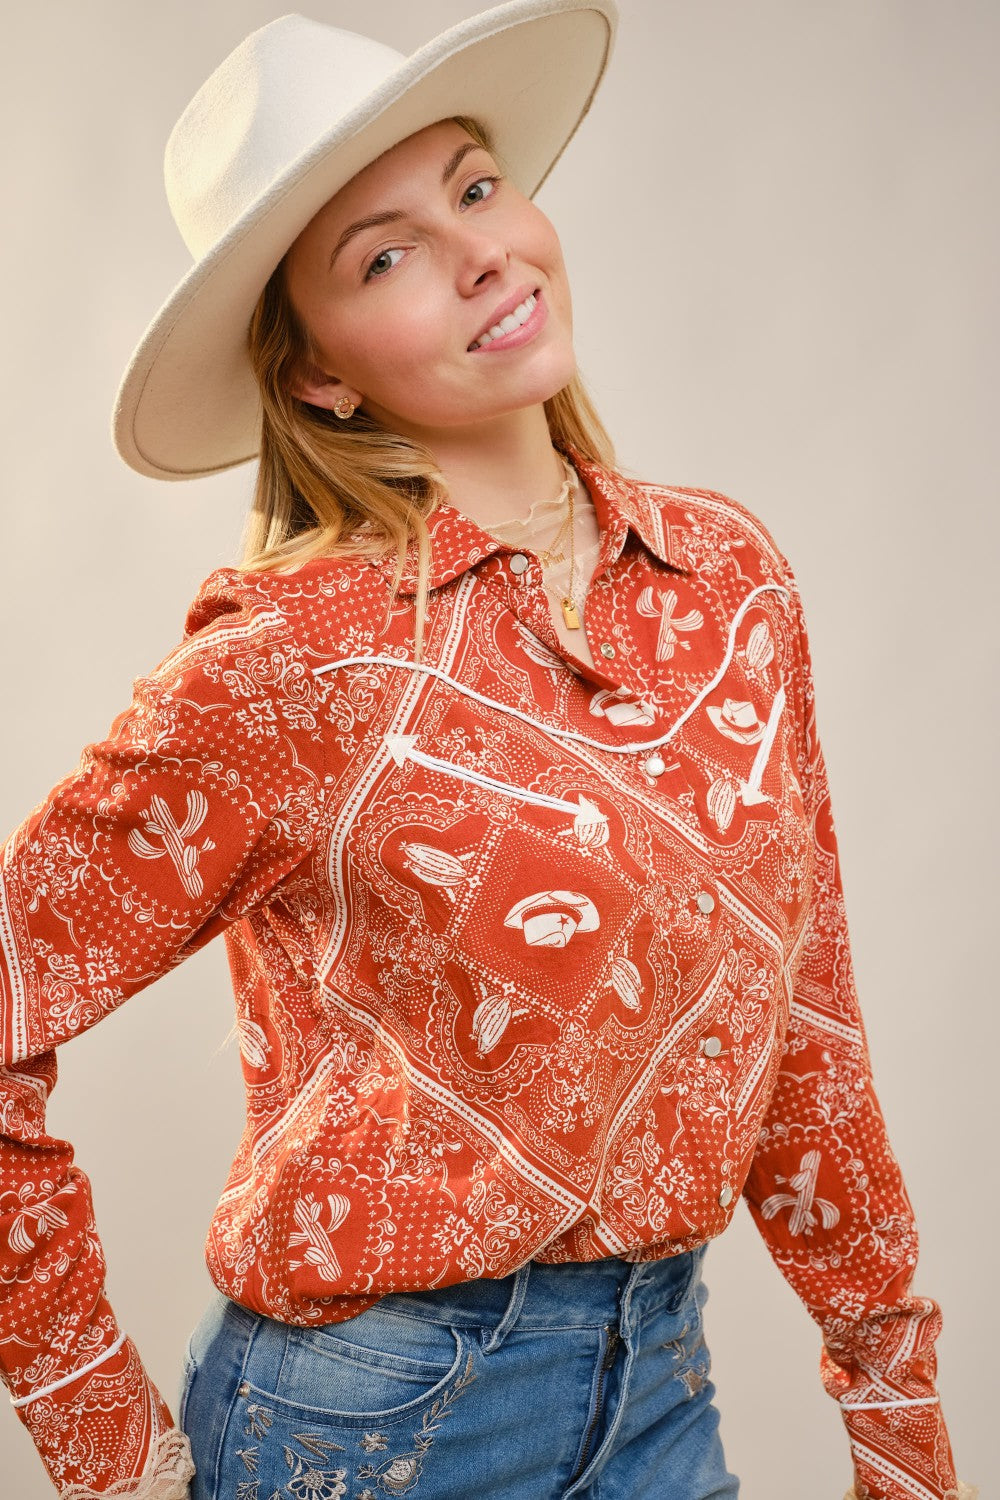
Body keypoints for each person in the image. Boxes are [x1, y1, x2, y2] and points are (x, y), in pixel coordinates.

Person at [0, 4, 978, 1498]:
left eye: (474, 187)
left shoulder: (730, 579)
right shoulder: (293, 663)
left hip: (662, 1389)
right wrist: (103, 1445)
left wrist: (891, 1391)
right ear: (318, 375)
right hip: (371, 1427)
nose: (480, 256)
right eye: (384, 257)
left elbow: (805, 1005)